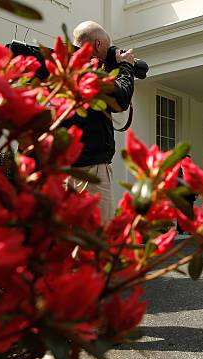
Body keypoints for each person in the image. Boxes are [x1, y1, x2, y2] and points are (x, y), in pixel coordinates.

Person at [64, 21, 135, 223]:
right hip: (91, 169)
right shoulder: (88, 70)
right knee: (96, 237)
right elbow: (120, 99)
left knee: (71, 238)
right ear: (97, 45)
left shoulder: (67, 67)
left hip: (66, 169)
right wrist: (126, 67)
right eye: (107, 46)